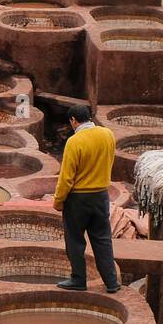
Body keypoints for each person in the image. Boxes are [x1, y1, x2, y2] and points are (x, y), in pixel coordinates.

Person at [53, 104, 120, 293]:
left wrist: (59, 201)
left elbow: (66, 178)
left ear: (73, 120)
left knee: (75, 241)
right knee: (103, 240)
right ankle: (111, 282)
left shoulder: (75, 142)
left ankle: (78, 280)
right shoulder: (108, 135)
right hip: (101, 196)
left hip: (78, 199)